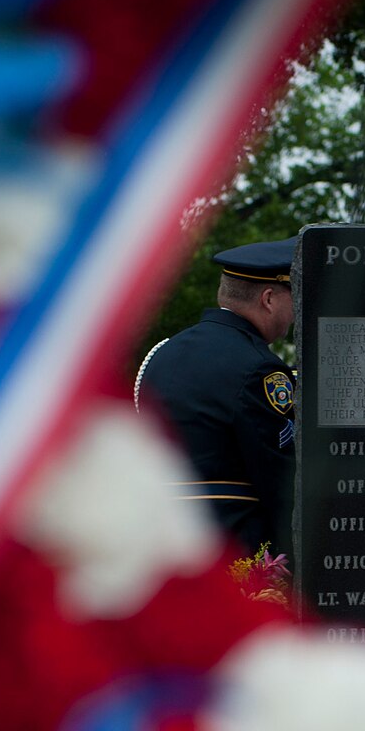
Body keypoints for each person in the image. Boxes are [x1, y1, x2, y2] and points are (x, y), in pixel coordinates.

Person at [134, 237, 298, 559]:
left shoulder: (163, 352)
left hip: (161, 545)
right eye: (293, 298)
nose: (294, 313)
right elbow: (280, 481)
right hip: (233, 552)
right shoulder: (259, 368)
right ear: (268, 299)